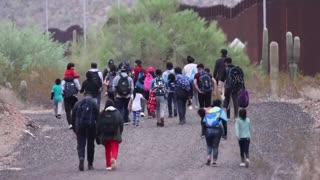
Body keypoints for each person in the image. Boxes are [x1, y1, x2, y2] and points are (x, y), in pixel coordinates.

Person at [71, 93, 100, 171]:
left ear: (84, 95)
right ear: (91, 96)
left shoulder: (78, 104)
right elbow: (98, 118)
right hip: (91, 127)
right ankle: (90, 164)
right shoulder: (94, 104)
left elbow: (73, 117)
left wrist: (74, 128)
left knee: (81, 144)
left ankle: (81, 158)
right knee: (91, 145)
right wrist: (98, 130)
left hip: (80, 127)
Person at [96, 100, 124, 171]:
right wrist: (120, 132)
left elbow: (98, 125)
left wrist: (98, 135)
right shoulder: (117, 113)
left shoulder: (102, 113)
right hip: (115, 134)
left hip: (105, 135)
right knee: (115, 148)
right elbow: (121, 124)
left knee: (107, 150)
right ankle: (113, 158)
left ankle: (108, 165)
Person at [199, 99, 227, 167]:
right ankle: (214, 161)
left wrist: (203, 133)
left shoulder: (208, 110)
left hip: (208, 130)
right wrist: (225, 134)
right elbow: (224, 122)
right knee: (215, 146)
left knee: (209, 145)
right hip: (217, 130)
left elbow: (203, 121)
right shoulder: (220, 111)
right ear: (220, 104)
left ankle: (208, 157)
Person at [222, 57, 245, 140]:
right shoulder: (236, 69)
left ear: (226, 63)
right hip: (236, 87)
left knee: (227, 100)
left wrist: (221, 88)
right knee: (235, 101)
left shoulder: (226, 69)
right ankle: (236, 116)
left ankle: (228, 116)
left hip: (228, 87)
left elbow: (222, 79)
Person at [62, 63, 81, 129]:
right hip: (74, 96)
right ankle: (75, 122)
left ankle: (70, 124)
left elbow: (62, 88)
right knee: (74, 109)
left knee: (68, 111)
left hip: (66, 97)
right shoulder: (75, 79)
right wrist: (79, 91)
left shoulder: (64, 79)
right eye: (73, 67)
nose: (74, 69)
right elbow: (79, 87)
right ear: (70, 68)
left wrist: (63, 94)